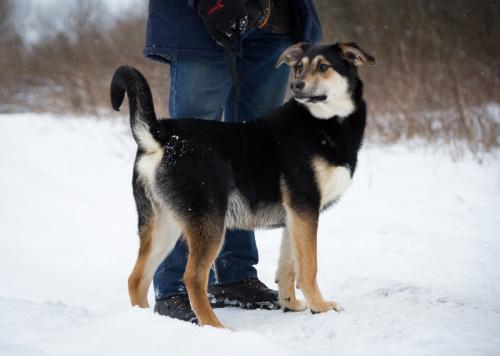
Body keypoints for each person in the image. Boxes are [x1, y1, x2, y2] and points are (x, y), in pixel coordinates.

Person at [143, 0, 322, 322]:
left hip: (276, 26)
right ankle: (176, 287)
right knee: (190, 151)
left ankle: (236, 275)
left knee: (257, 149)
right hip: (202, 20)